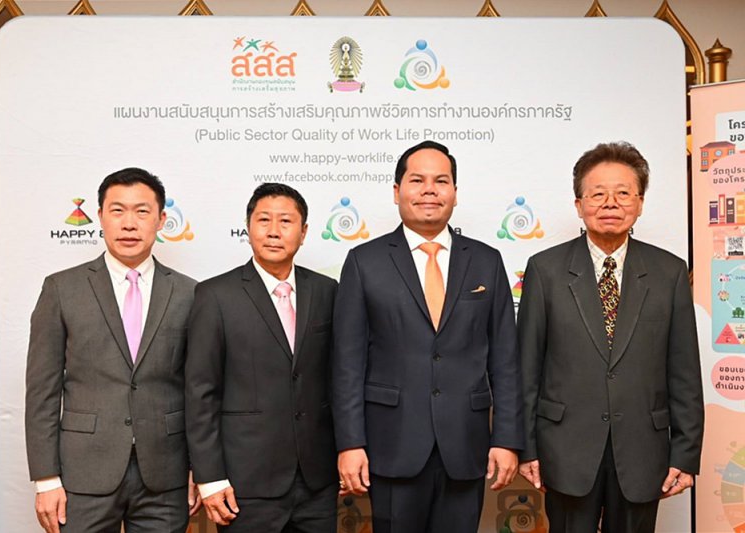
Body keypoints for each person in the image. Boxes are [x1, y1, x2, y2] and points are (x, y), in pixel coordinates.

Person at [332, 140, 523, 533]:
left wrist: (506, 439)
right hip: (392, 444)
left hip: (466, 444)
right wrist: (350, 443)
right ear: (397, 191)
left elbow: (505, 361)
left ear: (455, 192)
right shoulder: (364, 262)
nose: (429, 190)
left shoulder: (486, 261)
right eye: (417, 180)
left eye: (441, 181)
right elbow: (347, 364)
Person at [517, 141, 704, 532]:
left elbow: (684, 371)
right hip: (564, 449)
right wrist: (527, 448)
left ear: (640, 203)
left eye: (623, 193)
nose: (610, 203)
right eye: (597, 194)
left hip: (643, 450)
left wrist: (686, 455)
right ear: (579, 204)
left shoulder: (669, 272)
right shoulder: (546, 270)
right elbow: (527, 369)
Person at [25, 168, 199, 533]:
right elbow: (42, 392)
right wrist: (46, 479)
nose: (129, 224)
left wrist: (201, 468)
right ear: (101, 216)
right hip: (83, 474)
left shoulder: (191, 293)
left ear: (161, 220)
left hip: (166, 475)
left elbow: (199, 391)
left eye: (142, 211)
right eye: (117, 211)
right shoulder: (62, 289)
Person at [185, 183, 338, 532]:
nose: (273, 231)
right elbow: (200, 392)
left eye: (286, 221)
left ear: (304, 232)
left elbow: (337, 379)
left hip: (317, 481)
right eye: (263, 220)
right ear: (248, 227)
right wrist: (210, 477)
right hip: (244, 482)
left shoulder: (327, 291)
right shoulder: (215, 295)